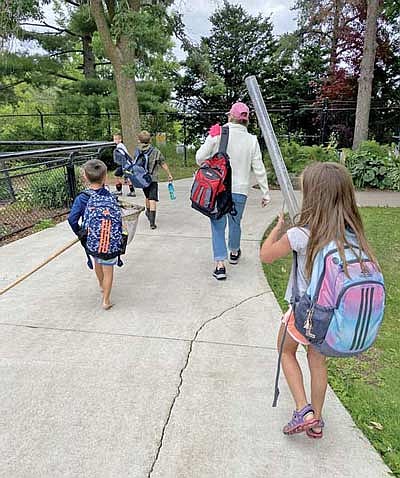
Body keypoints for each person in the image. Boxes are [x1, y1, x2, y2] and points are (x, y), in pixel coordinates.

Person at [260, 162, 379, 439]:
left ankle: (304, 410)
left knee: (286, 351)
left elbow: (266, 255)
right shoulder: (351, 235)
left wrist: (278, 228)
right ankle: (317, 420)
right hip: (329, 317)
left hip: (305, 312)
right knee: (317, 359)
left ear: (312, 196)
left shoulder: (300, 234)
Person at [195, 102, 271, 280]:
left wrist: (211, 139)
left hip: (218, 188)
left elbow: (199, 158)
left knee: (217, 225)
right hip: (240, 189)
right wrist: (265, 192)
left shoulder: (218, 133)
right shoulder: (252, 139)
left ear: (230, 116)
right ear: (246, 120)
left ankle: (220, 265)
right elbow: (258, 167)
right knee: (235, 222)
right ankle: (234, 252)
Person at [68, 159, 121, 310]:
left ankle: (101, 285)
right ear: (104, 177)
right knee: (109, 269)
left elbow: (72, 219)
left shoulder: (82, 198)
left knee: (97, 262)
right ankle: (106, 300)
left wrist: (80, 233)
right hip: (110, 241)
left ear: (85, 176)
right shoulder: (110, 197)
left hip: (93, 239)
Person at [136, 130, 173, 230]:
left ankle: (148, 212)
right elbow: (163, 163)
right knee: (153, 199)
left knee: (147, 197)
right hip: (153, 178)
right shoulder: (155, 151)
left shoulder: (137, 150)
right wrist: (169, 174)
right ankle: (152, 223)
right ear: (150, 140)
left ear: (139, 140)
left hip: (142, 178)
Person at [113, 132, 136, 197]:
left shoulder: (119, 146)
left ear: (120, 140)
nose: (115, 140)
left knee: (116, 175)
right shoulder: (121, 146)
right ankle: (132, 191)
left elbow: (124, 155)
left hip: (124, 164)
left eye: (116, 139)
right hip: (127, 164)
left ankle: (119, 190)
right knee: (128, 177)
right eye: (114, 139)